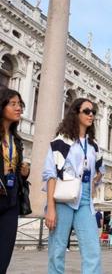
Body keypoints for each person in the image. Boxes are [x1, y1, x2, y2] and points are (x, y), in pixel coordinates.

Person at [42, 98, 103, 274]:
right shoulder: (62, 140)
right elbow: (50, 174)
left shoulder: (93, 145)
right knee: (57, 250)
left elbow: (99, 170)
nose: (91, 115)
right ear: (75, 113)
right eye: (86, 111)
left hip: (84, 199)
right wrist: (51, 208)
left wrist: (95, 181)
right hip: (63, 197)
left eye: (93, 112)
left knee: (93, 250)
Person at [0, 88, 30, 274]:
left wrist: (24, 173)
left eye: (20, 104)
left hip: (11, 199)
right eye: (13, 104)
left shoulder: (16, 140)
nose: (18, 108)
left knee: (4, 254)